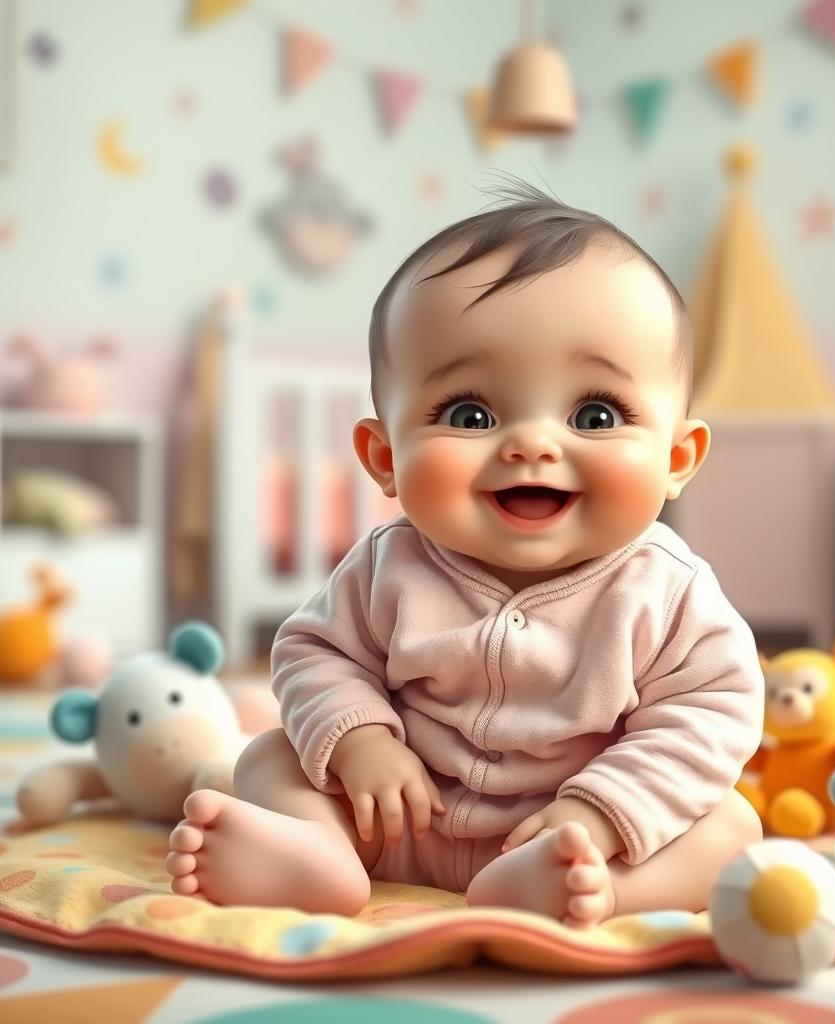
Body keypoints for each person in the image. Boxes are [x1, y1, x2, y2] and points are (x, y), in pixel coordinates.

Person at [166, 181, 764, 927]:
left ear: (678, 456)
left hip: (562, 839)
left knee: (732, 825)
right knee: (270, 757)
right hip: (393, 826)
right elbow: (313, 654)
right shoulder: (389, 566)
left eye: (595, 413)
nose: (532, 443)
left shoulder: (668, 593)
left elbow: (710, 716)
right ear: (384, 456)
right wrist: (360, 743)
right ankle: (319, 859)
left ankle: (603, 893)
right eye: (470, 413)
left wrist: (601, 813)